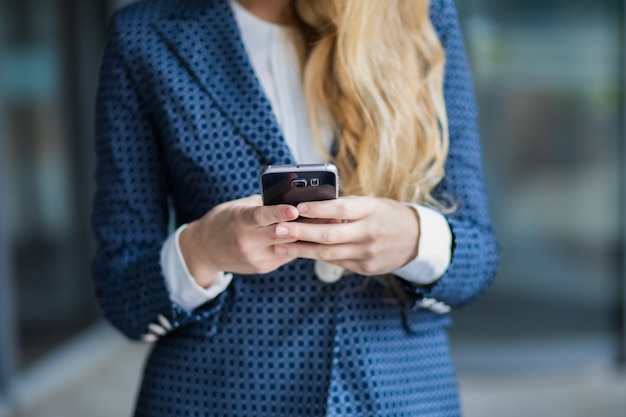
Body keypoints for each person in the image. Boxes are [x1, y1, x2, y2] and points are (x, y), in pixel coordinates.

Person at [92, 0, 499, 415]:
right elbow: (123, 295)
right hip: (217, 395)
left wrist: (414, 239)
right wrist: (203, 249)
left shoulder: (417, 12)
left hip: (400, 395)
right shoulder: (145, 35)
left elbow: (478, 258)